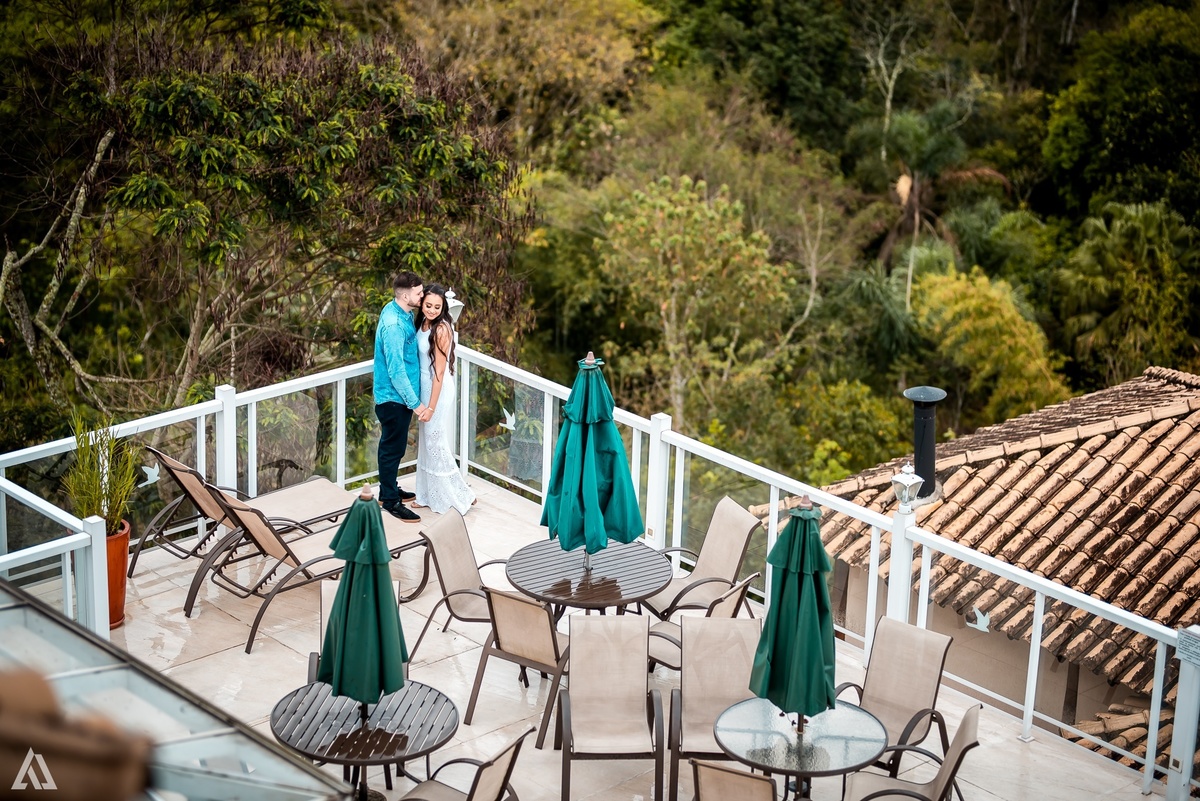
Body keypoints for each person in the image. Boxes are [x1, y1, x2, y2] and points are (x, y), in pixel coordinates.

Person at [412, 284, 477, 514]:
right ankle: (426, 494)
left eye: (437, 307)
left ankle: (460, 495)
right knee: (426, 442)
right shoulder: (422, 322)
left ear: (443, 308)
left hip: (437, 389)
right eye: (428, 305)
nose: (431, 310)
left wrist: (431, 407)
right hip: (423, 387)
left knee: (435, 442)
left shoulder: (441, 329)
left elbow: (439, 373)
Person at [373, 271, 429, 523]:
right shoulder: (394, 326)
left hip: (399, 397)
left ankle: (390, 488)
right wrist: (415, 404)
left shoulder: (400, 311)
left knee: (394, 447)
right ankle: (389, 500)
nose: (422, 295)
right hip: (394, 399)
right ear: (405, 296)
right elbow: (396, 371)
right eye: (419, 293)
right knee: (392, 449)